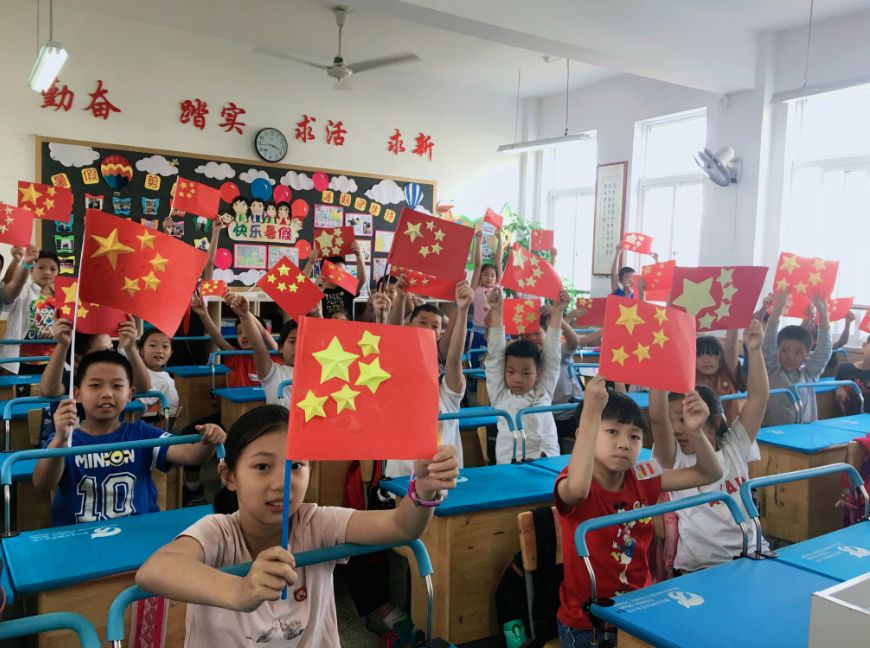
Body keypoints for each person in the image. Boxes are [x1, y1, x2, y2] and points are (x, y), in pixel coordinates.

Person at [135, 405, 458, 648]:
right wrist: (240, 590)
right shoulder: (218, 531)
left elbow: (401, 527)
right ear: (228, 476)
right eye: (262, 466)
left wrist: (423, 490)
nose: (282, 482)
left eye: (297, 465)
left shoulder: (314, 522)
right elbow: (155, 570)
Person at [555, 376, 722, 647]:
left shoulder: (641, 476)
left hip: (641, 606)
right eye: (611, 432)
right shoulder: (574, 481)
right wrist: (590, 415)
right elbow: (576, 491)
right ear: (583, 435)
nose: (624, 443)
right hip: (590, 623)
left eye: (634, 436)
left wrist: (696, 432)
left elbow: (709, 472)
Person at [32, 350, 225, 526]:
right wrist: (60, 439)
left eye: (117, 386)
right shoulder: (65, 438)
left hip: (137, 531)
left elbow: (193, 456)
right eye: (95, 385)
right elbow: (42, 483)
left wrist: (208, 441)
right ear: (77, 394)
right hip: (79, 536)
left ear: (130, 394)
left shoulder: (141, 434)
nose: (107, 394)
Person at [649, 321, 769, 573]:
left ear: (714, 421)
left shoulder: (733, 445)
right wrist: (660, 363)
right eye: (674, 421)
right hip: (702, 565)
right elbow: (658, 420)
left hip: (753, 552)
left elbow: (758, 397)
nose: (678, 428)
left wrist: (754, 351)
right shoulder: (674, 459)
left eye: (685, 418)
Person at [381, 281, 470, 476]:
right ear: (409, 325)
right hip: (402, 479)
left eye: (435, 326)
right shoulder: (397, 385)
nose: (428, 328)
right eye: (422, 322)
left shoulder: (447, 396)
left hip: (444, 478)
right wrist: (402, 298)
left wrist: (463, 311)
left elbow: (454, 360)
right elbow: (391, 338)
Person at [485, 287, 567, 463]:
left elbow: (552, 355)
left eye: (526, 373)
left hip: (549, 459)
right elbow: (495, 357)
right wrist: (497, 311)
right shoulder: (500, 395)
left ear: (538, 374)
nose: (517, 379)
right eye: (511, 371)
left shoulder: (544, 389)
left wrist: (557, 313)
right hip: (511, 463)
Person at [519, 305, 584, 453]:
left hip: (567, 414)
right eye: (526, 336)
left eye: (536, 334)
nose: (532, 339)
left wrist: (558, 318)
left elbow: (574, 342)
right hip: (543, 417)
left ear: (547, 333)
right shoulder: (523, 361)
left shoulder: (556, 351)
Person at [763, 293, 832, 426]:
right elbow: (769, 342)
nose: (791, 357)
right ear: (777, 350)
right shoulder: (770, 371)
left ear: (807, 354)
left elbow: (824, 350)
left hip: (804, 434)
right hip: (773, 435)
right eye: (784, 350)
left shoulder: (808, 375)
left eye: (798, 352)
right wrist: (777, 309)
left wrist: (823, 314)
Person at [192, 293, 279, 387]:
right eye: (239, 333)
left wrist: (244, 312)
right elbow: (219, 341)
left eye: (248, 331)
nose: (244, 336)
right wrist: (204, 315)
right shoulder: (236, 356)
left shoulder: (273, 356)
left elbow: (264, 333)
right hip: (240, 401)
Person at [227, 294, 296, 406]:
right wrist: (244, 315)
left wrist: (317, 314)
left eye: (302, 342)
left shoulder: (317, 371)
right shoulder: (273, 372)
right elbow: (260, 345)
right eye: (292, 342)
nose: (297, 347)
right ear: (281, 347)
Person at [0, 247, 58, 375]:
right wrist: (24, 262)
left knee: (50, 393)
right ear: (31, 270)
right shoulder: (24, 291)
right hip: (22, 360)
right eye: (41, 268)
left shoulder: (63, 298)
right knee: (23, 394)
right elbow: (12, 286)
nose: (47, 272)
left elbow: (69, 325)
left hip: (52, 360)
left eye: (53, 269)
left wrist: (56, 330)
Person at [306, 243, 368, 320]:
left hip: (346, 329)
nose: (341, 275)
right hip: (324, 329)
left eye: (343, 272)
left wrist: (359, 256)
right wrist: (310, 263)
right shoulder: (317, 288)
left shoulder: (346, 287)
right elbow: (300, 285)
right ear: (324, 270)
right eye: (336, 271)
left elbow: (361, 280)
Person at [694, 331, 745, 423]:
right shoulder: (690, 377)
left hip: (730, 430)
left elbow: (731, 348)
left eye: (712, 354)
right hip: (700, 431)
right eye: (699, 355)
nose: (706, 360)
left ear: (721, 356)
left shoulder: (728, 372)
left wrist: (735, 321)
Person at [469, 227, 504, 360]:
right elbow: (478, 264)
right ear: (480, 277)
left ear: (496, 278)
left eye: (492, 275)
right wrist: (478, 241)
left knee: (495, 359)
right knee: (477, 359)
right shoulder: (475, 289)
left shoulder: (497, 288)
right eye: (486, 275)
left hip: (495, 329)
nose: (489, 278)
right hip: (478, 330)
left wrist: (500, 240)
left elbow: (498, 263)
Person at [135, 328, 180, 421]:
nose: (159, 350)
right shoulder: (129, 365)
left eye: (165, 346)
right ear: (141, 351)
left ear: (170, 353)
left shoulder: (168, 382)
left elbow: (168, 418)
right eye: (152, 345)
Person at [835, 334, 870, 415]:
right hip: (850, 420)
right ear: (864, 346)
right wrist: (839, 388)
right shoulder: (844, 369)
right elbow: (838, 386)